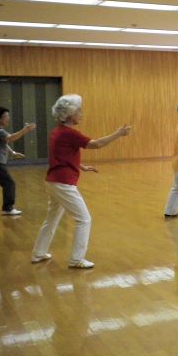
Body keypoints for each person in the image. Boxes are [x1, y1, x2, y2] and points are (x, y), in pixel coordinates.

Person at [31, 94, 131, 269]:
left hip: (53, 181)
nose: (81, 114)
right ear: (69, 114)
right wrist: (118, 133)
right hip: (63, 183)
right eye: (79, 110)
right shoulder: (69, 133)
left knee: (52, 219)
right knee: (84, 219)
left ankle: (38, 253)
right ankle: (76, 259)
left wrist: (81, 166)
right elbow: (96, 144)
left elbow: (62, 155)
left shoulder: (58, 132)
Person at [0, 106, 37, 215]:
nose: (8, 118)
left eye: (8, 116)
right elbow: (10, 138)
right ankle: (8, 208)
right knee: (9, 183)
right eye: (5, 116)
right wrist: (25, 130)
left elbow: (4, 143)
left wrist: (12, 152)